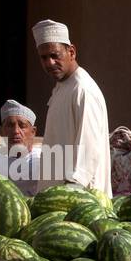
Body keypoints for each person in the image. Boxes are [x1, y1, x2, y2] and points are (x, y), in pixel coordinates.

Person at [32, 19, 112, 197]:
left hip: (77, 199)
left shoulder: (82, 90)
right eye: (43, 58)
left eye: (55, 55)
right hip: (55, 200)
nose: (49, 63)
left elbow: (88, 149)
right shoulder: (62, 88)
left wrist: (70, 194)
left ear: (72, 52)